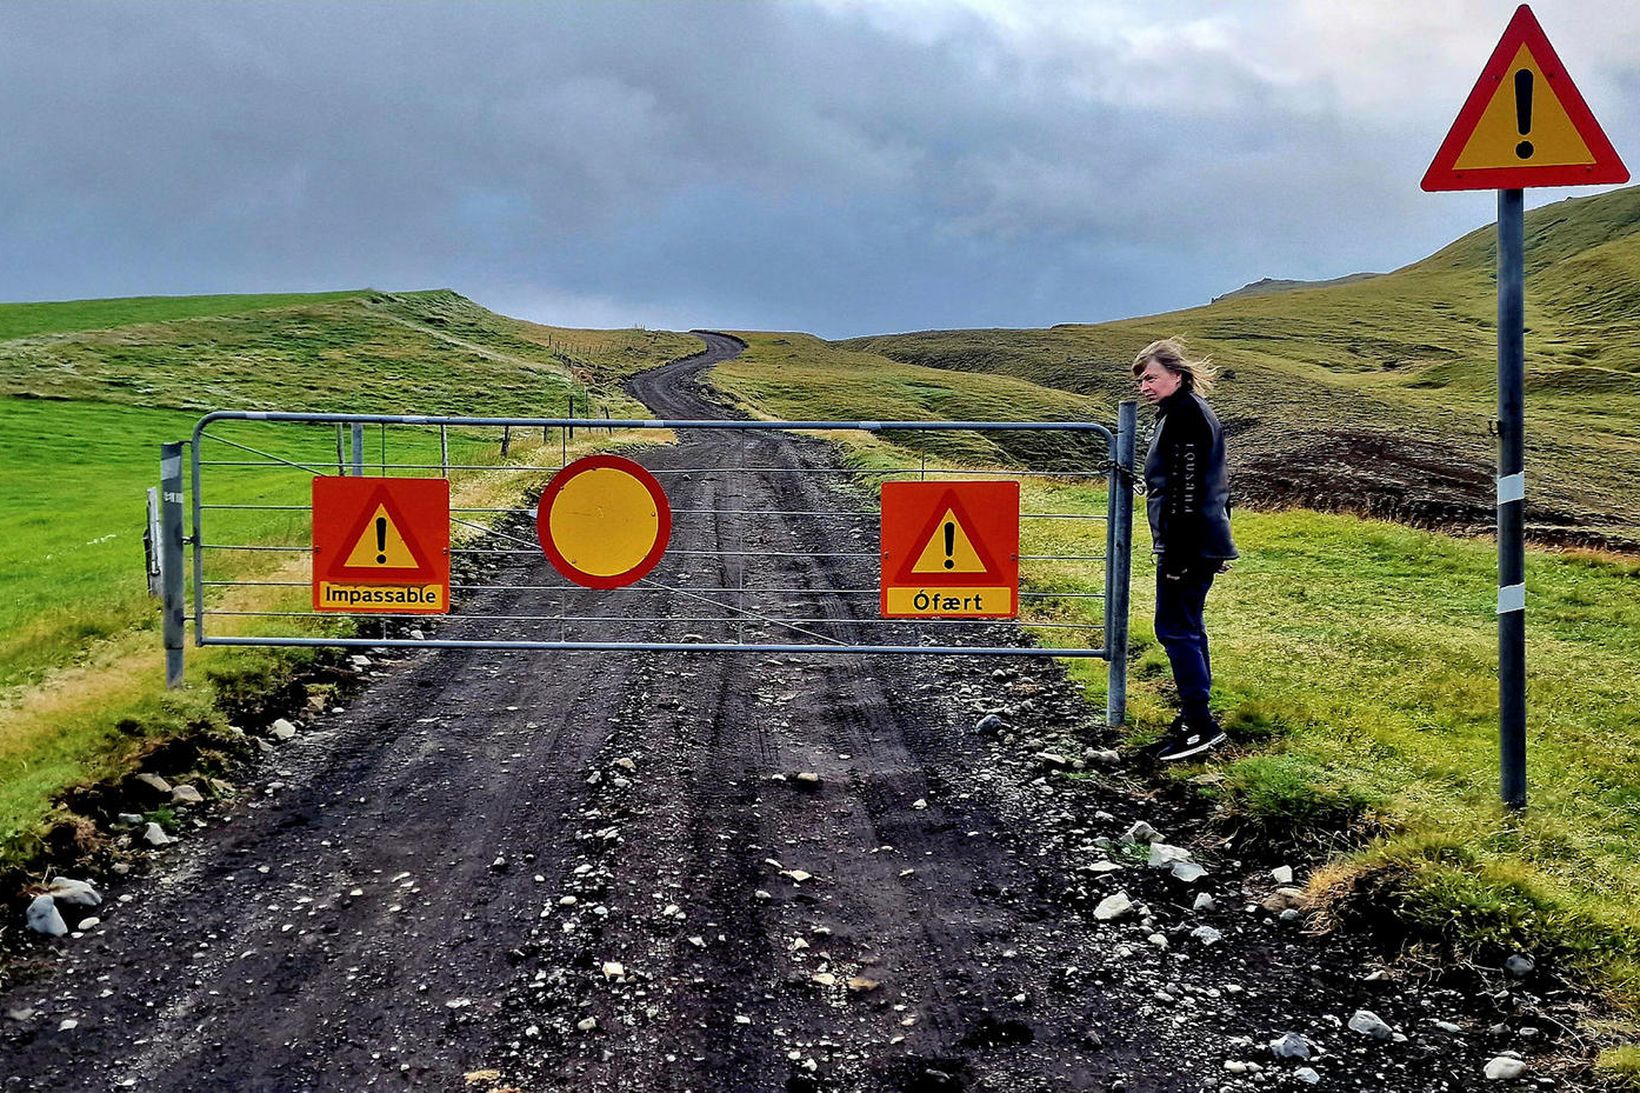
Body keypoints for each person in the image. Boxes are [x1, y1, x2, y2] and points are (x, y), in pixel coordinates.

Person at [1131, 338, 1237, 761]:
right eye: (1141, 381)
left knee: (1174, 628)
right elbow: (1214, 483)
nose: (1144, 386)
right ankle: (1196, 717)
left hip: (1186, 545)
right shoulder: (1183, 412)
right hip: (1198, 541)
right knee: (1187, 626)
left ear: (1176, 375)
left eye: (1151, 378)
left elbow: (1188, 491)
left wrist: (1184, 550)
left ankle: (1200, 726)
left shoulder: (1185, 416)